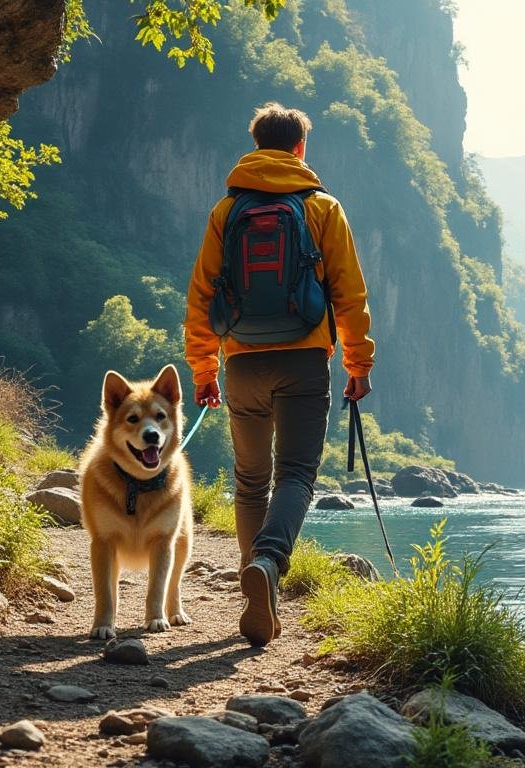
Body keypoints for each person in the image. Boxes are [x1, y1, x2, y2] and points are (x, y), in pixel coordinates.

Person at [184, 102, 375, 646]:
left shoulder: (227, 211)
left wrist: (204, 368)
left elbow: (201, 295)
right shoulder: (322, 208)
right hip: (304, 361)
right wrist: (358, 365)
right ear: (299, 149)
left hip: (241, 361)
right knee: (295, 474)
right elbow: (349, 294)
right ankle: (267, 564)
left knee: (250, 481)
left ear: (256, 145)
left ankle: (254, 588)